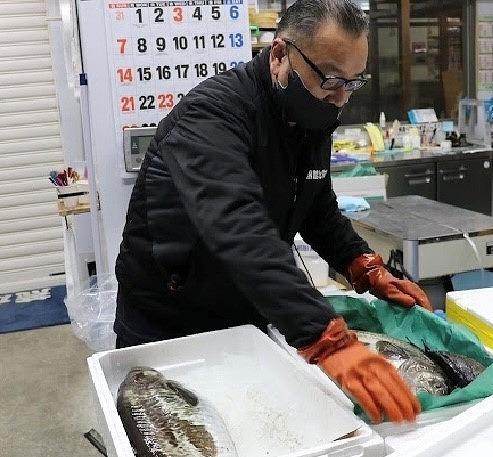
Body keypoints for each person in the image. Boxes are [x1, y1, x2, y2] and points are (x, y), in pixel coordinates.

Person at [113, 0, 433, 427]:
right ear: (280, 55)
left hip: (245, 319)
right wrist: (326, 339)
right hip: (169, 326)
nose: (340, 100)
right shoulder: (210, 116)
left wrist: (364, 265)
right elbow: (239, 228)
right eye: (332, 81)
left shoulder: (309, 116)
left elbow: (316, 206)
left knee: (249, 433)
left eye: (354, 84)